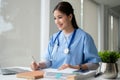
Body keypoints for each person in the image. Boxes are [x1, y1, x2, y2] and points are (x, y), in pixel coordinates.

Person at [31, 1, 101, 71]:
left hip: (74, 77)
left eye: (60, 17)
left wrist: (76, 67)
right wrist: (38, 65)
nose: (57, 22)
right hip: (55, 76)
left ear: (70, 17)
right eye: (55, 18)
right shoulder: (54, 38)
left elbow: (95, 64)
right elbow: (49, 61)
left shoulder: (84, 37)